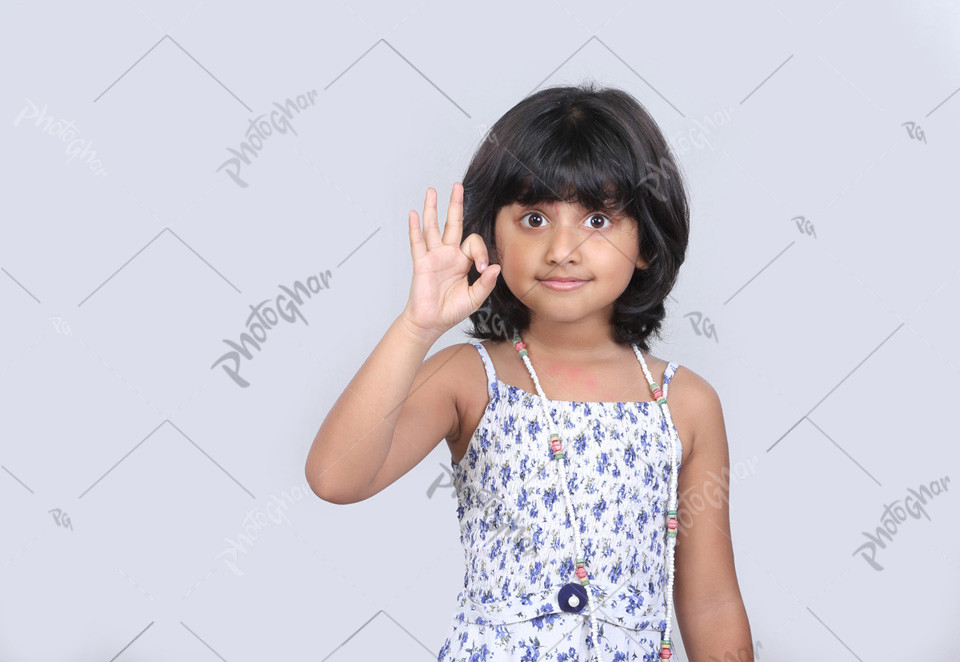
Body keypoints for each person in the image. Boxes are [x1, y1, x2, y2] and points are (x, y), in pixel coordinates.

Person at [306, 82, 753, 661]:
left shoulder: (684, 403)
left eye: (597, 219)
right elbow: (335, 477)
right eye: (536, 217)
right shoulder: (469, 379)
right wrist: (418, 326)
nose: (562, 248)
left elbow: (711, 601)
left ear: (646, 240)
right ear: (491, 232)